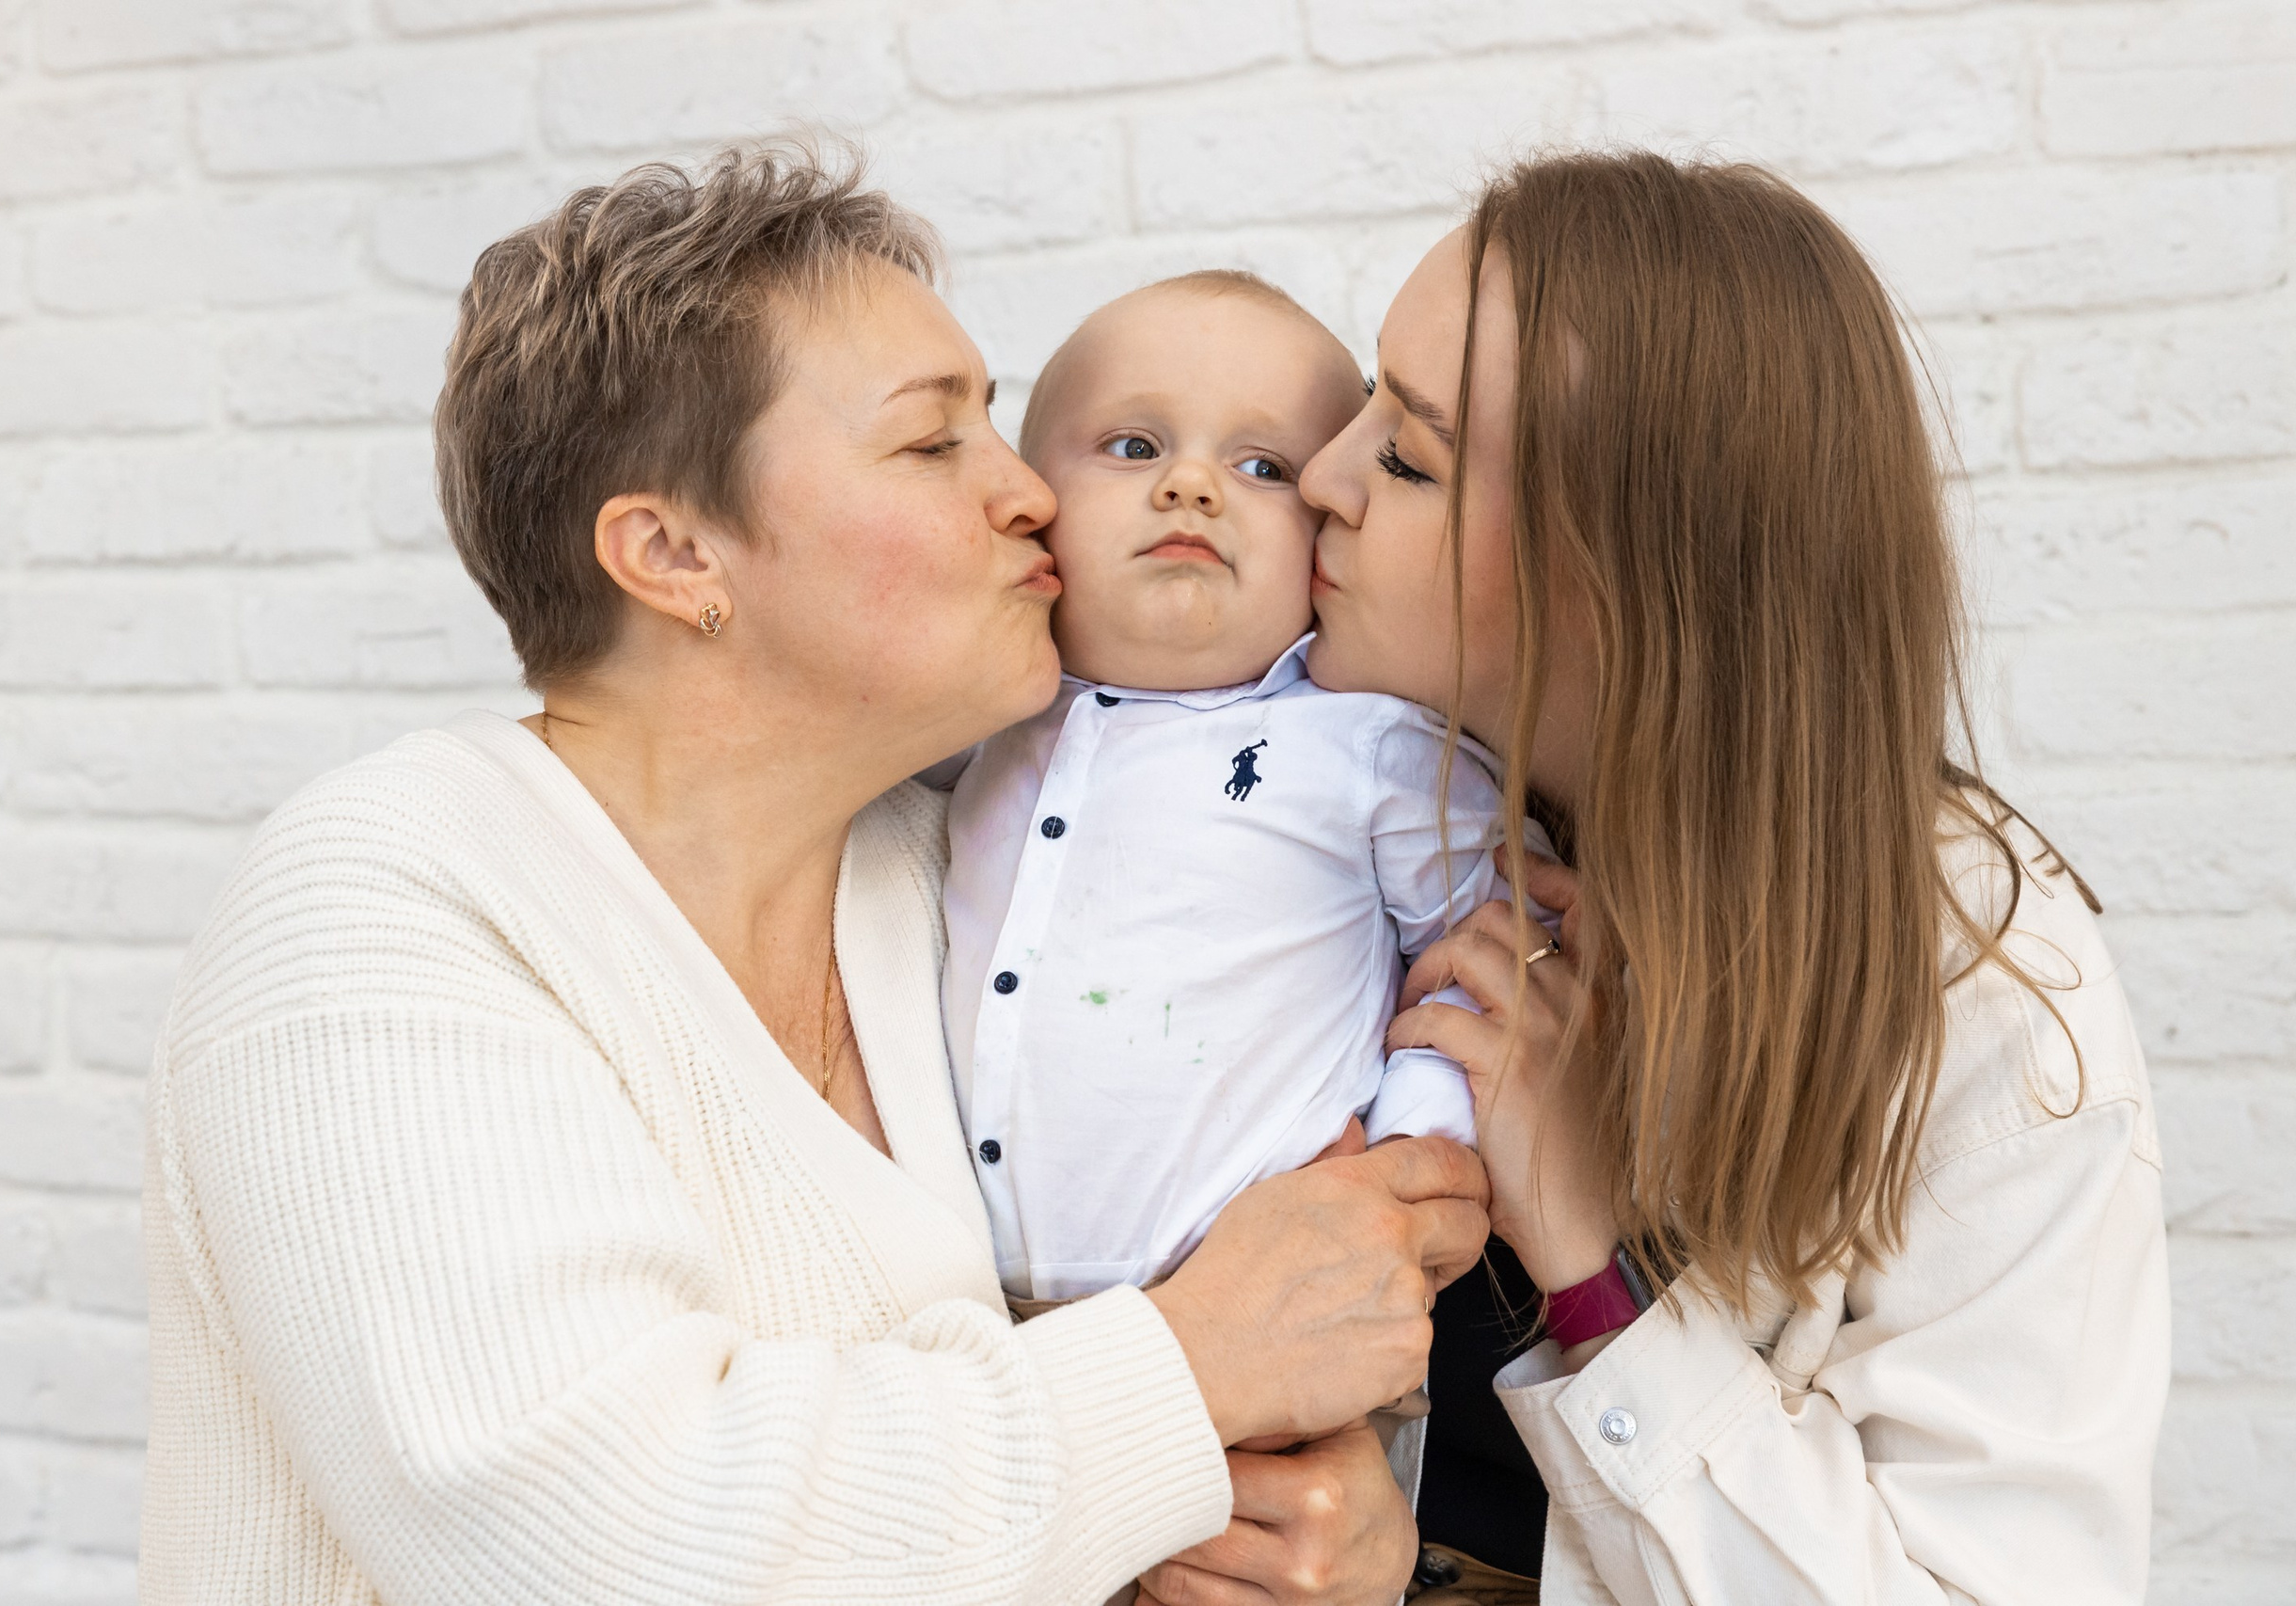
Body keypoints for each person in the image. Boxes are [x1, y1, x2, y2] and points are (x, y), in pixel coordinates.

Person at [137, 145, 1488, 1606]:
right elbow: (602, 1542)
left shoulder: (942, 869)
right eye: (933, 443)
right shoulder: (382, 904)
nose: (1031, 491)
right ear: (673, 551)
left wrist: (1319, 1525)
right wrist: (1185, 1370)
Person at [1294, 151, 2170, 1602]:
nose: (1321, 476)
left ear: (1620, 573)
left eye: (1407, 455)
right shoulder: (1305, 794)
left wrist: (1589, 1260)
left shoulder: (1995, 1010)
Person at [942, 271, 1558, 1327]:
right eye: (1133, 448)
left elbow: (1499, 943)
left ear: (1325, 533)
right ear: (1033, 502)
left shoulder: (1366, 748)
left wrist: (1418, 1147)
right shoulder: (970, 730)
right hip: (975, 1332)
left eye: (1263, 466)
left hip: (1293, 1318)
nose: (1191, 486)